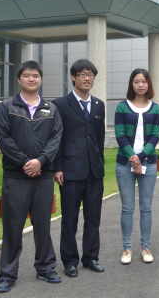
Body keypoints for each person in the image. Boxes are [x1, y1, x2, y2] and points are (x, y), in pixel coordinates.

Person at [0, 61, 63, 293]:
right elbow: (3, 139)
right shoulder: (7, 107)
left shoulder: (51, 109)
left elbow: (56, 138)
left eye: (35, 75)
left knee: (43, 224)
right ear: (19, 79)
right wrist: (26, 162)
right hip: (15, 176)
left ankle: (45, 268)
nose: (31, 79)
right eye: (26, 75)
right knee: (12, 226)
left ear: (40, 79)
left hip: (43, 177)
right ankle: (7, 274)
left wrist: (40, 161)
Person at [52, 59, 105, 278]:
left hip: (94, 171)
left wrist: (100, 163)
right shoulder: (60, 104)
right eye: (82, 74)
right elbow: (56, 138)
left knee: (93, 218)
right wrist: (57, 167)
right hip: (70, 171)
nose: (87, 78)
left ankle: (91, 257)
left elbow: (99, 138)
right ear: (73, 77)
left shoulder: (99, 105)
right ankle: (70, 261)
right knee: (70, 219)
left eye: (91, 74)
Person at [114, 69, 159, 265]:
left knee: (146, 208)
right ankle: (127, 249)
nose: (140, 85)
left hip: (148, 163)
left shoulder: (156, 109)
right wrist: (132, 158)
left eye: (144, 81)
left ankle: (145, 247)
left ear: (149, 84)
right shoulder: (122, 107)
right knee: (127, 208)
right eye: (136, 81)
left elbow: (155, 136)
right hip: (124, 164)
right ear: (131, 84)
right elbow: (120, 134)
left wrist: (140, 157)